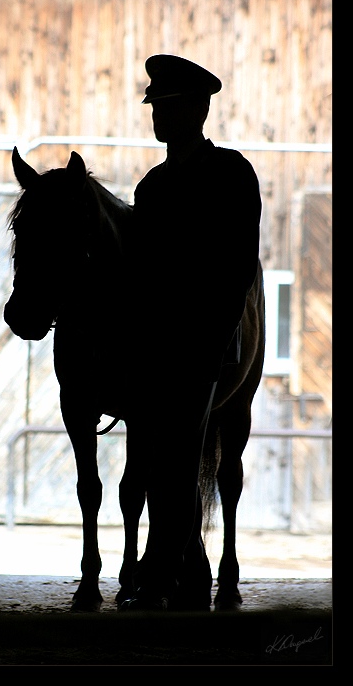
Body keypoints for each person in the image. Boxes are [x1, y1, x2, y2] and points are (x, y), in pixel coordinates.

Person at [121, 54, 262, 611]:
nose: (157, 116)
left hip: (203, 339)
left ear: (199, 110)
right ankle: (185, 571)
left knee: (179, 458)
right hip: (155, 343)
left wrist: (216, 339)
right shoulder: (151, 187)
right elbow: (139, 273)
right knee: (158, 460)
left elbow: (238, 267)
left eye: (169, 106)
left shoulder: (231, 175)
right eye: (155, 106)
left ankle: (159, 580)